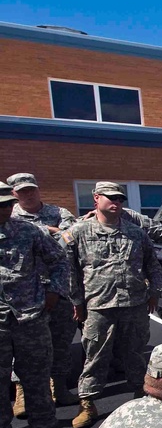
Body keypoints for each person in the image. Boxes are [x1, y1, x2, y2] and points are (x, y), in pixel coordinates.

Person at [62, 182, 162, 428]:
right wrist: (76, 301)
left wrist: (154, 292)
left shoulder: (136, 233)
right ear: (96, 198)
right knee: (96, 355)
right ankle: (87, 403)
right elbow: (70, 272)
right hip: (99, 305)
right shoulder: (78, 232)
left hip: (135, 304)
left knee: (136, 354)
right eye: (111, 198)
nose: (116, 202)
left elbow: (153, 265)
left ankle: (142, 398)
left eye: (119, 199)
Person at [0, 182, 69, 428]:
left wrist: (54, 290)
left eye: (6, 203)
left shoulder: (29, 231)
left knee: (38, 377)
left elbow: (59, 261)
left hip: (30, 316)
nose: (4, 209)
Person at [7, 172, 78, 408]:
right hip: (22, 296)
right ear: (13, 194)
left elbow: (71, 238)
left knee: (61, 340)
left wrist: (45, 229)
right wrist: (53, 231)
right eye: (22, 191)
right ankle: (22, 394)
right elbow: (60, 236)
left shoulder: (59, 213)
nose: (28, 194)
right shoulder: (9, 215)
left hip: (58, 289)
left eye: (31, 189)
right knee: (21, 349)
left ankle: (59, 387)